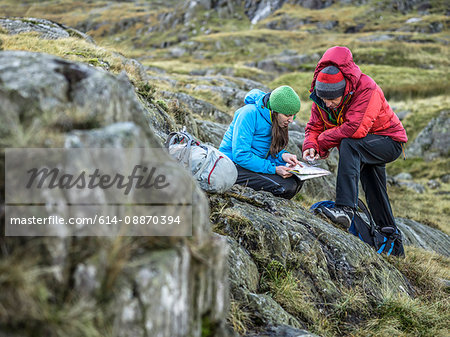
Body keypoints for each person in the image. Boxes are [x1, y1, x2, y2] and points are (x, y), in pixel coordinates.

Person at [302, 46, 407, 230]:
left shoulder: (366, 88)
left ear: (344, 91)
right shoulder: (322, 98)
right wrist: (310, 145)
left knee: (349, 144)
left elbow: (355, 129)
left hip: (389, 141)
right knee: (374, 187)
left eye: (332, 99)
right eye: (323, 99)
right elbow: (314, 126)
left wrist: (322, 143)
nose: (327, 104)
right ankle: (390, 237)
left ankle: (345, 210)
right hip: (365, 144)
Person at [219, 85, 304, 199]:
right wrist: (274, 169)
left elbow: (263, 150)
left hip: (251, 164)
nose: (291, 120)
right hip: (232, 166)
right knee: (287, 186)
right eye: (287, 115)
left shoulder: (274, 119)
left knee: (297, 179)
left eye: (294, 115)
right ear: (274, 111)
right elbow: (241, 155)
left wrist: (282, 156)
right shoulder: (248, 114)